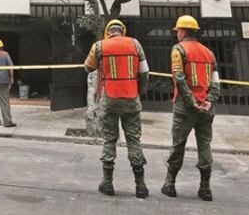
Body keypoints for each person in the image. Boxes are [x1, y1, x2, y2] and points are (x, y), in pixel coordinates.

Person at [84, 18, 149, 198]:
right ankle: (140, 186)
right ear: (123, 31)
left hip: (109, 100)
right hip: (131, 99)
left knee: (109, 139)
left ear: (108, 32)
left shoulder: (99, 46)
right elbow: (144, 72)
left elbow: (87, 67)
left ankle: (107, 183)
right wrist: (139, 91)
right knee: (134, 139)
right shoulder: (135, 44)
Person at [162, 15, 220, 202]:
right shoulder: (209, 53)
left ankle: (170, 184)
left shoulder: (178, 50)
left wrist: (191, 101)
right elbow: (215, 81)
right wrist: (209, 100)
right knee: (205, 145)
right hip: (206, 108)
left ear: (183, 31)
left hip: (185, 108)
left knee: (178, 144)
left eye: (178, 30)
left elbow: (179, 78)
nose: (177, 33)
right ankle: (205, 188)